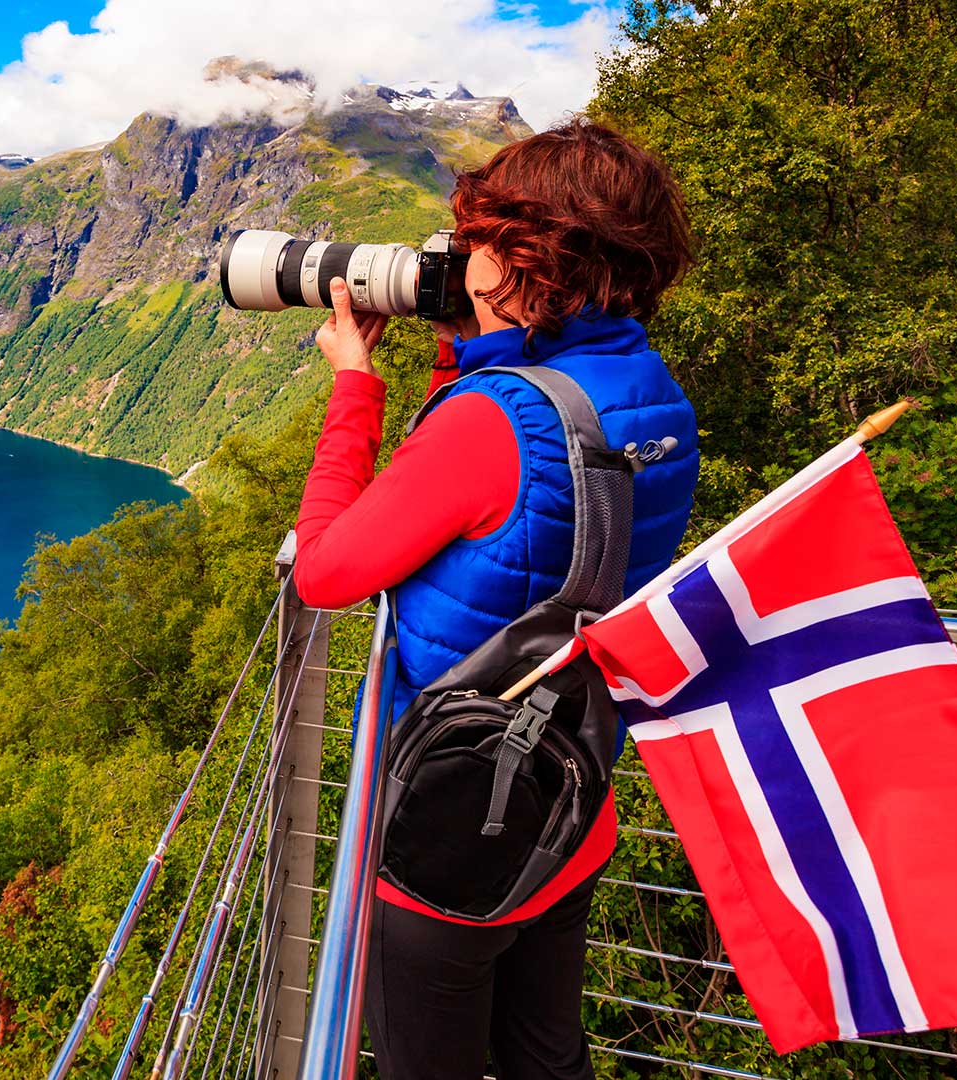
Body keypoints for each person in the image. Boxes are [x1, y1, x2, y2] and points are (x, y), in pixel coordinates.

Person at [290, 118, 700, 1080]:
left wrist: (356, 385)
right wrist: (461, 357)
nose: (462, 259)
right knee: (546, 1055)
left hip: (452, 821)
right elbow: (514, 523)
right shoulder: (654, 394)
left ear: (529, 259)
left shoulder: (492, 421)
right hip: (568, 799)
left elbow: (325, 572)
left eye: (479, 238)